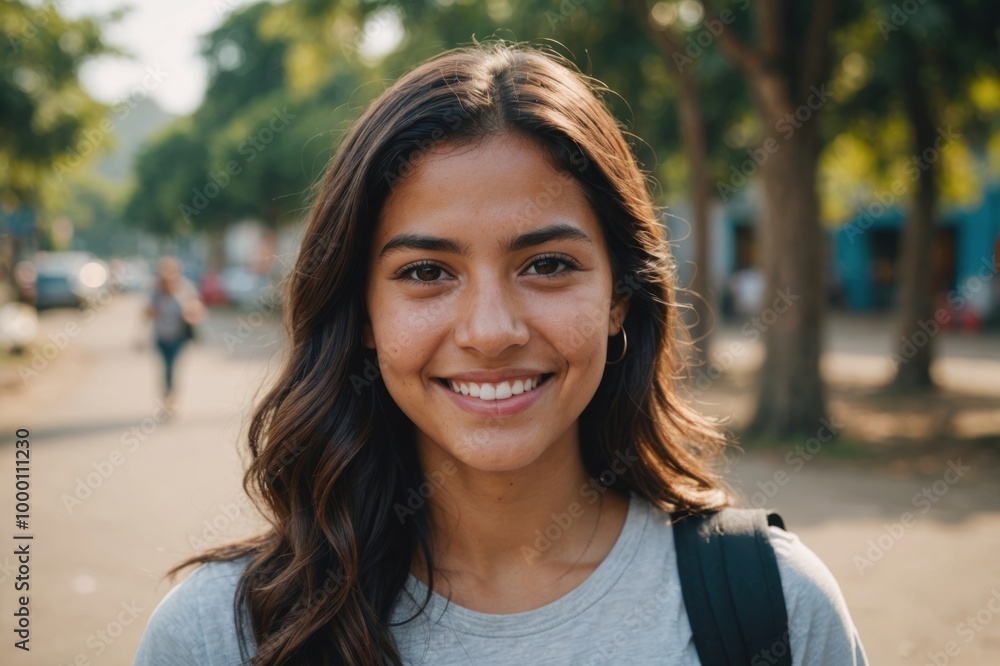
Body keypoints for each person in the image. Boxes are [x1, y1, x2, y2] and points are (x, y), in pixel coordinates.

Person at [133, 42, 868, 665]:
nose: (490, 331)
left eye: (547, 264)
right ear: (362, 314)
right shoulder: (221, 635)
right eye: (426, 273)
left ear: (619, 295)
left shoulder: (775, 608)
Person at [144, 256, 204, 415]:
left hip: (179, 337)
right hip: (161, 337)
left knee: (172, 367)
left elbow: (197, 309)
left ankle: (171, 399)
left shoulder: (185, 287)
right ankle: (167, 398)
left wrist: (188, 311)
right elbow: (147, 313)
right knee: (165, 368)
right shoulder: (156, 291)